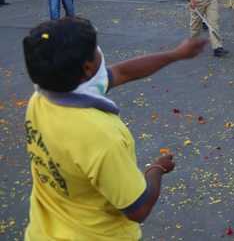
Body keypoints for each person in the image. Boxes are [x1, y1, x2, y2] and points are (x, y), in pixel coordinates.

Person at [22, 17, 206, 240]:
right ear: (87, 68)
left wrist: (175, 54)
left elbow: (121, 73)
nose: (100, 52)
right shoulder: (100, 136)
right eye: (95, 49)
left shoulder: (41, 99)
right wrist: (156, 169)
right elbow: (138, 209)